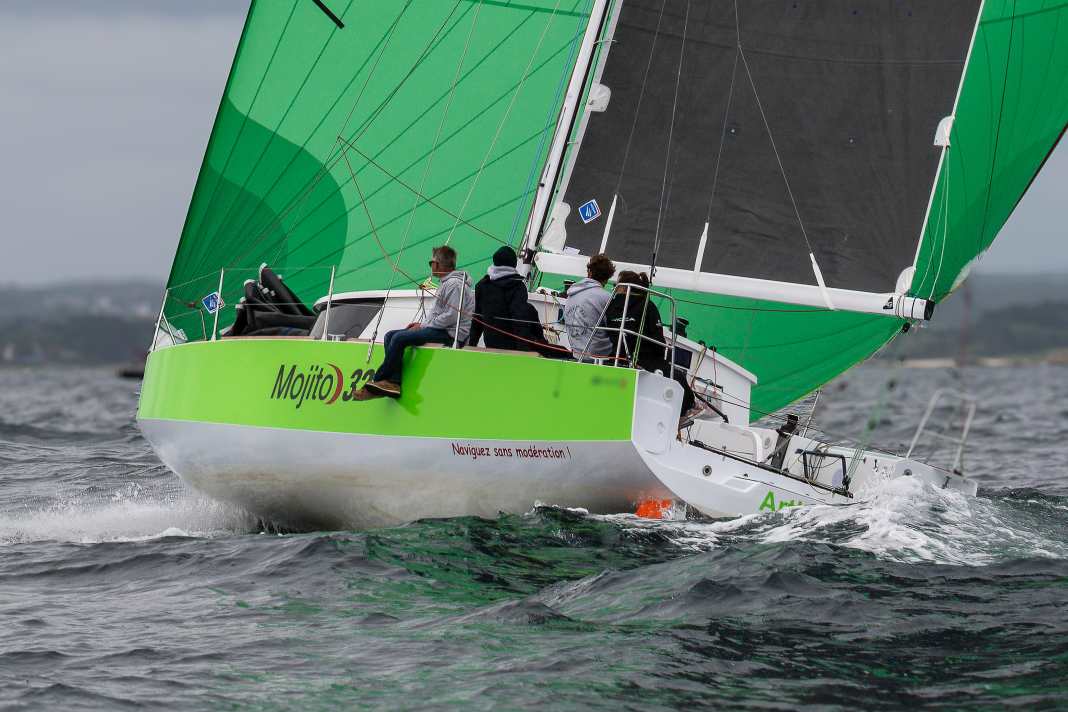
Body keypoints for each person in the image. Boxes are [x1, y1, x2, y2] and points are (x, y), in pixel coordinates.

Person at [356, 245, 474, 399]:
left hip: (450, 333)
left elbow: (451, 316)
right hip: (440, 329)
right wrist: (421, 325)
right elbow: (437, 313)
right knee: (389, 336)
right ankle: (393, 382)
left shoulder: (454, 284)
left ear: (437, 264)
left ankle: (376, 382)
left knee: (399, 338)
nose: (431, 266)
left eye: (431, 262)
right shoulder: (446, 283)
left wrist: (424, 326)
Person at [604, 270, 696, 414]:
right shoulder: (648, 306)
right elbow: (658, 341)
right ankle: (688, 409)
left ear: (622, 287)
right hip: (644, 360)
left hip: (615, 357)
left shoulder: (611, 305)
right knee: (679, 379)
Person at [468, 246, 542, 351]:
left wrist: (471, 345)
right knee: (530, 310)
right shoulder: (518, 287)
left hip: (491, 345)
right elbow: (520, 321)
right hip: (513, 348)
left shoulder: (482, 285)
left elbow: (477, 320)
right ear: (514, 264)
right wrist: (523, 350)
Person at [563, 253, 615, 360]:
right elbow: (614, 329)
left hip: (577, 353)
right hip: (600, 357)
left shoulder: (571, 294)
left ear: (589, 272)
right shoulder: (607, 298)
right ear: (607, 277)